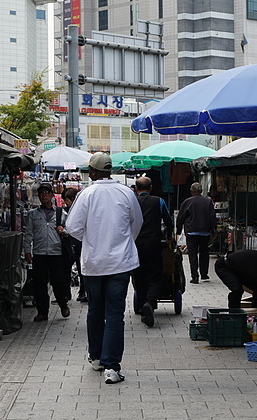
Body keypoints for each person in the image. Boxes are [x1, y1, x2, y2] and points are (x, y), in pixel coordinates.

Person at [65, 152, 143, 384]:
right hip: (120, 263)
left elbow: (72, 227)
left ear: (93, 171)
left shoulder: (86, 194)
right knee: (115, 314)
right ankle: (112, 367)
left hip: (94, 263)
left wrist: (91, 239)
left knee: (95, 311)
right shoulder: (126, 192)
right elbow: (136, 224)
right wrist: (124, 241)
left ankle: (96, 356)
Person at [23, 183, 71, 322]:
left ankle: (63, 304)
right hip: (39, 254)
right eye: (41, 193)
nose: (44, 195)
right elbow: (28, 233)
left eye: (47, 192)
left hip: (56, 253)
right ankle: (42, 312)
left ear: (51, 195)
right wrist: (27, 250)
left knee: (59, 282)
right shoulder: (33, 214)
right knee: (39, 284)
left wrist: (64, 232)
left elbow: (71, 230)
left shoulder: (61, 213)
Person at [133, 176, 174, 328]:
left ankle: (144, 307)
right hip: (154, 243)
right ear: (151, 188)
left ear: (136, 189)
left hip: (136, 244)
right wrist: (169, 236)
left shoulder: (132, 202)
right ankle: (150, 303)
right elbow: (169, 221)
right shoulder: (159, 201)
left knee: (139, 275)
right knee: (155, 276)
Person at [176, 182, 217, 284]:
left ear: (191, 191)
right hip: (205, 232)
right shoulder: (208, 201)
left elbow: (180, 217)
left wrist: (178, 230)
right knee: (204, 252)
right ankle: (204, 274)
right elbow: (212, 217)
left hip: (191, 232)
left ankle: (194, 276)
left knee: (192, 254)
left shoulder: (187, 202)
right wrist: (213, 230)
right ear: (201, 191)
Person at [62, 187, 86, 303]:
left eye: (67, 200)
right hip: (71, 244)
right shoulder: (64, 210)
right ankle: (67, 293)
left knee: (81, 270)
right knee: (67, 269)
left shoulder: (78, 210)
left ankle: (82, 292)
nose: (65, 203)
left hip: (78, 243)